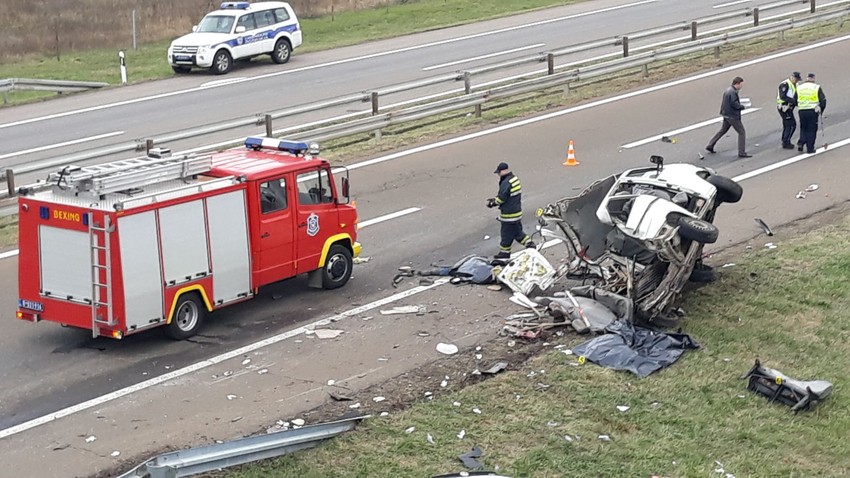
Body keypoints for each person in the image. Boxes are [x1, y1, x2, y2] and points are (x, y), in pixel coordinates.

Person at [487, 162, 535, 259]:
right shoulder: (514, 179)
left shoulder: (506, 182)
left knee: (506, 234)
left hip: (509, 215)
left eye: (498, 172)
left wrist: (492, 203)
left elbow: (502, 198)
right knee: (517, 232)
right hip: (516, 212)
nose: (498, 175)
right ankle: (529, 244)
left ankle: (504, 253)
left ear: (502, 171)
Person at [706, 76, 751, 158]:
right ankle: (742, 152)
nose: (741, 87)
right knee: (741, 132)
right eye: (741, 85)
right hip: (732, 116)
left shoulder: (728, 91)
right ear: (737, 84)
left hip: (726, 114)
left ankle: (711, 144)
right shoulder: (733, 93)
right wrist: (742, 107)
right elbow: (734, 104)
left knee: (723, 130)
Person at [795, 73, 827, 154]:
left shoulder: (799, 87)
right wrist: (821, 111)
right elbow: (823, 101)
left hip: (802, 110)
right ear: (813, 79)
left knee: (803, 127)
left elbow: (794, 99)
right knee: (811, 130)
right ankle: (810, 148)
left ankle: (801, 143)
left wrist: (799, 105)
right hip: (812, 111)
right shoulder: (816, 87)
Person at [777, 72, 801, 149]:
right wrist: (793, 101)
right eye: (796, 79)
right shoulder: (784, 84)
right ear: (792, 77)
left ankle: (786, 140)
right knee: (790, 125)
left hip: (789, 107)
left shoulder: (796, 85)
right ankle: (786, 141)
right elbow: (782, 96)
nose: (797, 81)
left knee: (788, 125)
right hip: (784, 107)